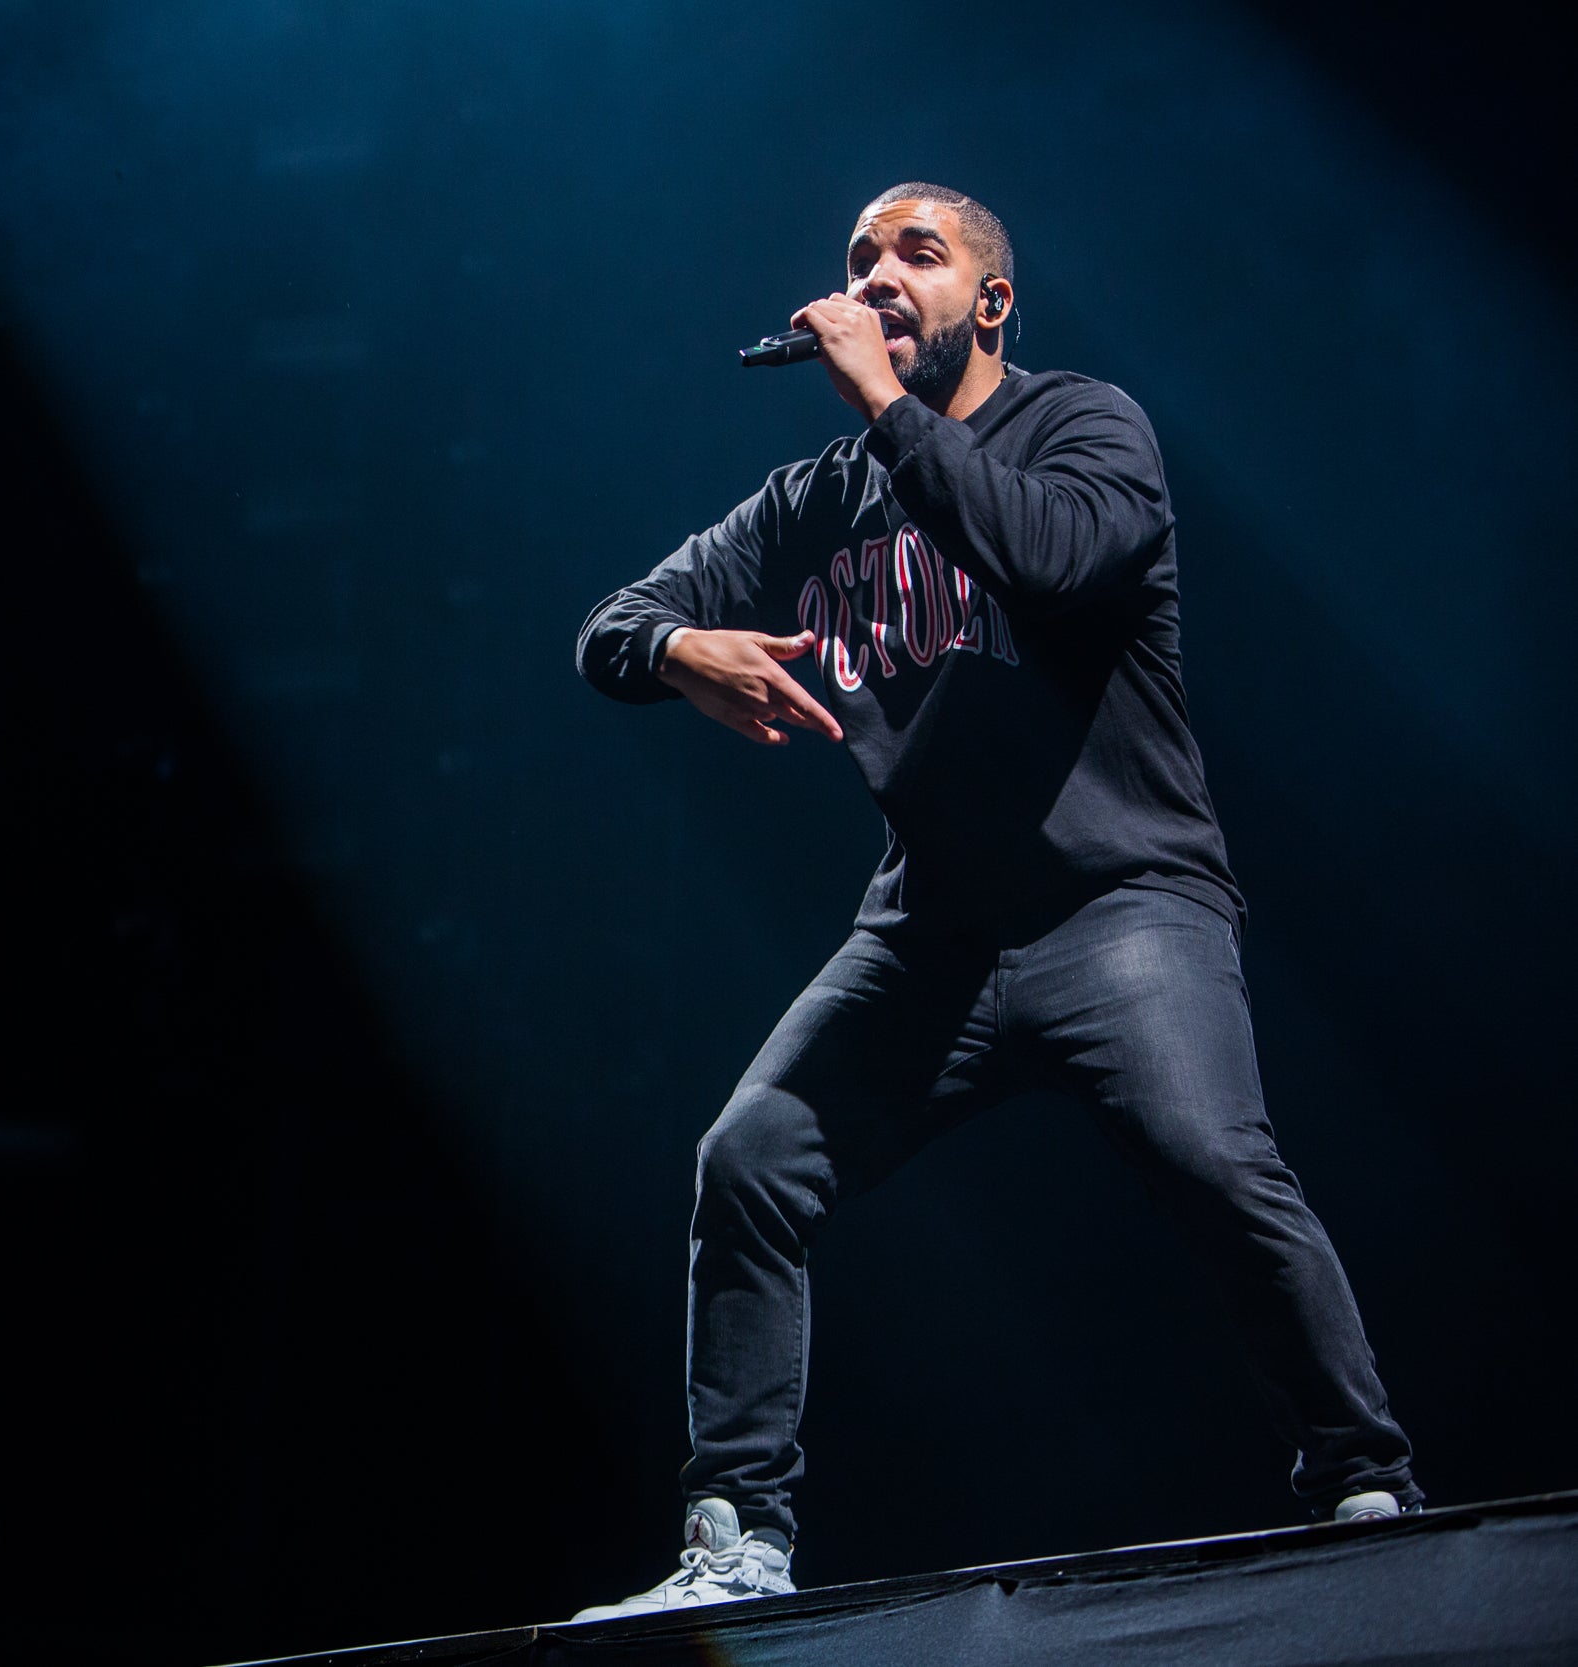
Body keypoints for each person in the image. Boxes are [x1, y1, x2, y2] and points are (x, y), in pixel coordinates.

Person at [569, 183, 1420, 1621]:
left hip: (1122, 901)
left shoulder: (1088, 426)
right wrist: (673, 651)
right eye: (857, 259)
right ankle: (735, 1550)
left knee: (1214, 1162)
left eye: (919, 252)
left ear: (992, 299)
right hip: (932, 936)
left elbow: (1045, 555)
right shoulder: (818, 500)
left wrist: (892, 415)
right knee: (751, 1161)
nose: (879, 274)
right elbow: (609, 624)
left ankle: (1368, 1483)